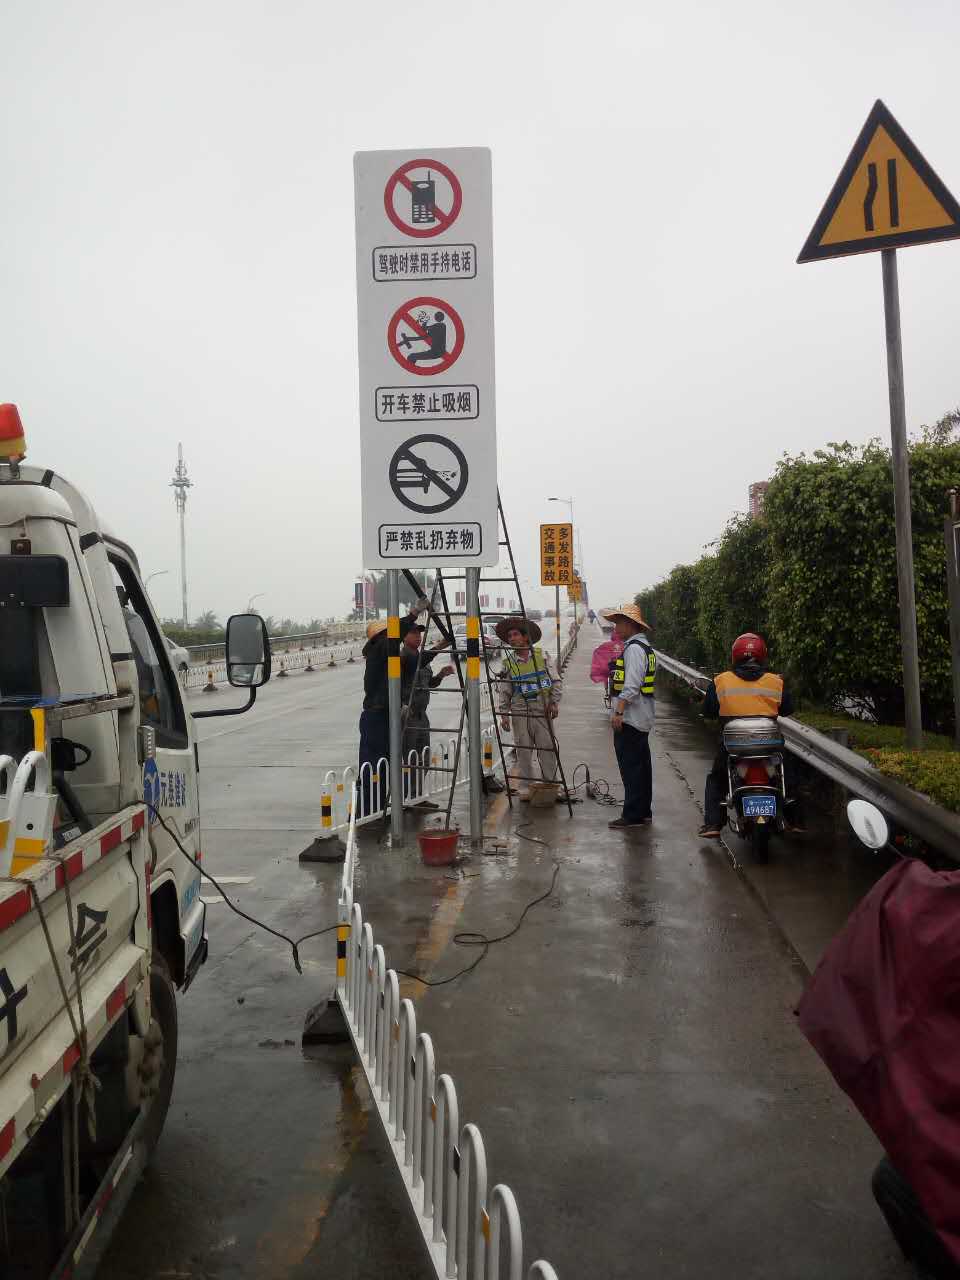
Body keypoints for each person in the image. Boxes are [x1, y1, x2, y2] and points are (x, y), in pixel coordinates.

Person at [698, 631, 794, 839]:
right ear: (762, 655)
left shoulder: (721, 680)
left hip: (733, 746)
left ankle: (713, 823)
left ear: (735, 655)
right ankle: (795, 819)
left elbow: (708, 711)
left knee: (717, 778)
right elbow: (788, 709)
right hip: (769, 745)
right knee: (788, 772)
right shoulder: (776, 681)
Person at [358, 597, 429, 813]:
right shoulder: (378, 648)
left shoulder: (389, 658)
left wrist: (441, 647)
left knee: (385, 765)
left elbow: (416, 663)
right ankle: (367, 812)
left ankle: (378, 809)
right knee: (374, 766)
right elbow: (395, 636)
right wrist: (413, 613)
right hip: (376, 717)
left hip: (386, 715)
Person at [600, 605, 656, 829]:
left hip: (631, 718)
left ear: (631, 625)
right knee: (641, 768)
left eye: (619, 623)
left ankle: (633, 815)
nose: (616, 628)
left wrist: (619, 711)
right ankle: (643, 811)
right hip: (642, 716)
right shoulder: (645, 647)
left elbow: (632, 685)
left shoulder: (633, 649)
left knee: (631, 768)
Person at [495, 617, 562, 801]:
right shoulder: (508, 663)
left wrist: (554, 702)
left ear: (525, 637)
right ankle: (526, 787)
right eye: (509, 636)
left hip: (542, 709)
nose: (512, 639)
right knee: (523, 750)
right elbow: (505, 690)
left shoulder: (542, 656)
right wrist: (504, 714)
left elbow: (555, 680)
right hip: (519, 710)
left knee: (547, 748)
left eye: (515, 634)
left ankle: (551, 785)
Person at [400, 624, 454, 810]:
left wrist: (440, 675)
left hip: (422, 715)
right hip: (408, 716)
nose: (418, 636)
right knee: (410, 759)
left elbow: (428, 683)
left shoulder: (421, 658)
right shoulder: (403, 657)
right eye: (413, 633)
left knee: (423, 757)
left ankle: (416, 796)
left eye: (419, 633)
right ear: (403, 637)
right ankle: (406, 798)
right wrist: (440, 646)